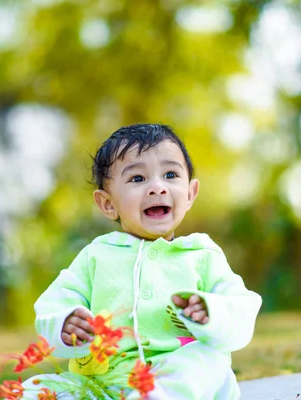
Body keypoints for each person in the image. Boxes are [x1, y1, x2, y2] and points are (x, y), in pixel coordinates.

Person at [22, 123, 262, 399]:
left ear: (190, 193)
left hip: (177, 381)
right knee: (34, 390)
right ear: (108, 204)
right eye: (138, 179)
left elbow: (241, 309)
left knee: (207, 359)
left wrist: (213, 312)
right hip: (103, 383)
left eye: (170, 174)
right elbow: (54, 303)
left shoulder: (201, 254)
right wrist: (66, 324)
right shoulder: (96, 255)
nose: (157, 187)